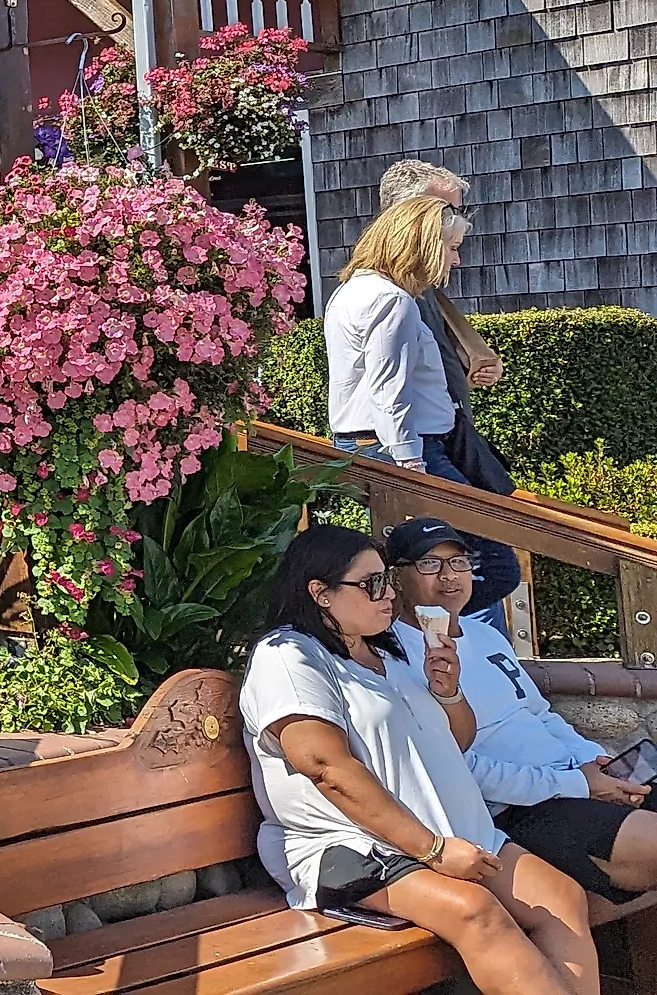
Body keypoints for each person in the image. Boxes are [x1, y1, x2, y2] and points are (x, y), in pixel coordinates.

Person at [242, 525, 596, 993]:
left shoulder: (387, 651)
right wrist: (433, 849)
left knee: (562, 898)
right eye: (371, 584)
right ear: (320, 593)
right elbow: (326, 768)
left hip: (456, 831)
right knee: (477, 913)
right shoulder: (290, 656)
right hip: (356, 847)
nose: (389, 593)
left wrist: (448, 693)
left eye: (387, 579)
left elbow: (457, 741)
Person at [389, 516, 657, 903]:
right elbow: (459, 769)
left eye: (459, 562)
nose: (449, 576)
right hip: (520, 809)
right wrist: (578, 785)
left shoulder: (485, 634)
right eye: (430, 564)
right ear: (396, 577)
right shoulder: (395, 659)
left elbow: (538, 713)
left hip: (574, 781)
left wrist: (592, 761)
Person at [380, 159, 523, 628]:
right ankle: (442, 644)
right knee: (483, 561)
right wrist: (409, 459)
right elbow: (384, 384)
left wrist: (469, 364)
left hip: (446, 437)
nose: (454, 223)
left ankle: (474, 654)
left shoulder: (420, 287)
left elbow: (422, 363)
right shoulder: (388, 289)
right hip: (418, 446)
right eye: (444, 210)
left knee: (472, 557)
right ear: (407, 212)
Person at [326, 195, 474, 486]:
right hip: (399, 449)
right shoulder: (391, 300)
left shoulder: (351, 290)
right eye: (452, 248)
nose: (456, 260)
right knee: (475, 516)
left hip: (374, 443)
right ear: (424, 246)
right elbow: (388, 389)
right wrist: (410, 462)